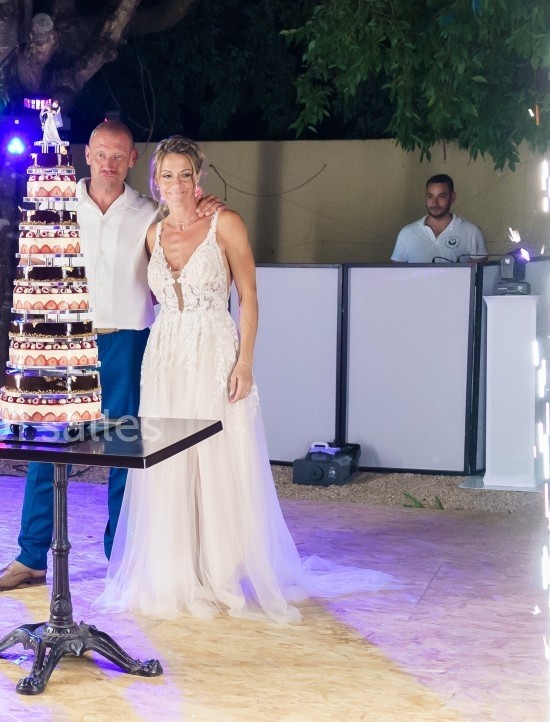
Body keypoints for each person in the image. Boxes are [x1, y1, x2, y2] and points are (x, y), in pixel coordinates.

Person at [95, 136, 396, 620]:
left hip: (214, 349)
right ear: (155, 180)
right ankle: (175, 571)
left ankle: (219, 572)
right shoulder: (151, 234)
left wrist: (245, 363)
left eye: (185, 174)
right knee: (169, 464)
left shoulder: (226, 223)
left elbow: (250, 296)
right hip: (165, 354)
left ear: (200, 178)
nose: (176, 184)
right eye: (167, 175)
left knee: (217, 459)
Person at [0, 121, 222, 590]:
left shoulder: (151, 212)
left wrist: (208, 203)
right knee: (46, 449)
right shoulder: (58, 204)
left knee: (124, 449)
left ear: (132, 161)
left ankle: (121, 557)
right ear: (86, 155)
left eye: (119, 155)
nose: (109, 163)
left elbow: (191, 224)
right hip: (64, 344)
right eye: (101, 153)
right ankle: (31, 556)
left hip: (127, 341)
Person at [390, 174, 487, 263]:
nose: (434, 203)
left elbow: (479, 276)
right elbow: (395, 275)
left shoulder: (472, 232)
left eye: (441, 196)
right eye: (430, 196)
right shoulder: (407, 233)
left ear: (453, 197)